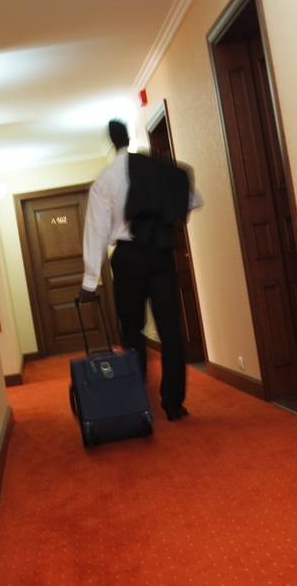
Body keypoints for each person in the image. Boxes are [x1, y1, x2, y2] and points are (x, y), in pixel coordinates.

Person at [79, 119, 197, 421]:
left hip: (129, 257)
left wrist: (90, 282)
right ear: (130, 138)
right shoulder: (156, 169)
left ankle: (137, 398)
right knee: (170, 330)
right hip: (160, 254)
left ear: (110, 141)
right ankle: (173, 404)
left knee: (132, 330)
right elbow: (190, 199)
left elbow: (96, 230)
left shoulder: (105, 181)